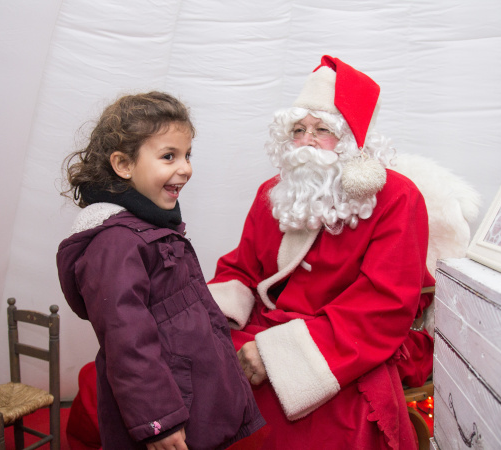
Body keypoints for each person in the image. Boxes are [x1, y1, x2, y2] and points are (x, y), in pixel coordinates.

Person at [208, 56, 434, 449]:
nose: (307, 141)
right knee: (194, 368)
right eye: (298, 129)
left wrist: (277, 356)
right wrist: (206, 321)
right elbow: (242, 268)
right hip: (271, 326)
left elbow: (383, 306)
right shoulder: (273, 193)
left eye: (322, 130)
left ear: (350, 141)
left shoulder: (398, 197)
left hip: (355, 343)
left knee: (304, 409)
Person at [56, 92, 265, 450]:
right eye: (169, 156)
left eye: (187, 155)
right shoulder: (116, 244)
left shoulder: (150, 229)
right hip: (165, 415)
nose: (185, 168)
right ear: (123, 164)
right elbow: (127, 342)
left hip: (189, 400)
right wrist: (158, 421)